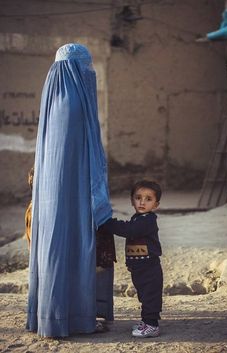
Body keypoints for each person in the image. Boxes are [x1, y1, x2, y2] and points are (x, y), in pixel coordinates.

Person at [26, 43, 114, 337]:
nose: (89, 73)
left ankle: (50, 316)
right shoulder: (74, 105)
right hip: (72, 197)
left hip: (54, 198)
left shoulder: (53, 98)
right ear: (77, 70)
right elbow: (80, 159)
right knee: (74, 246)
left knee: (56, 248)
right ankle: (74, 318)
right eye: (86, 68)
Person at [98, 180, 163, 338]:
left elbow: (129, 230)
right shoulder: (138, 218)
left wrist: (107, 223)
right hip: (140, 268)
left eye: (148, 199)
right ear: (132, 200)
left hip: (150, 268)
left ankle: (152, 325)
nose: (142, 202)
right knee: (143, 295)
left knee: (150, 297)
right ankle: (146, 321)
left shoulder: (148, 220)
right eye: (138, 197)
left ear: (156, 205)